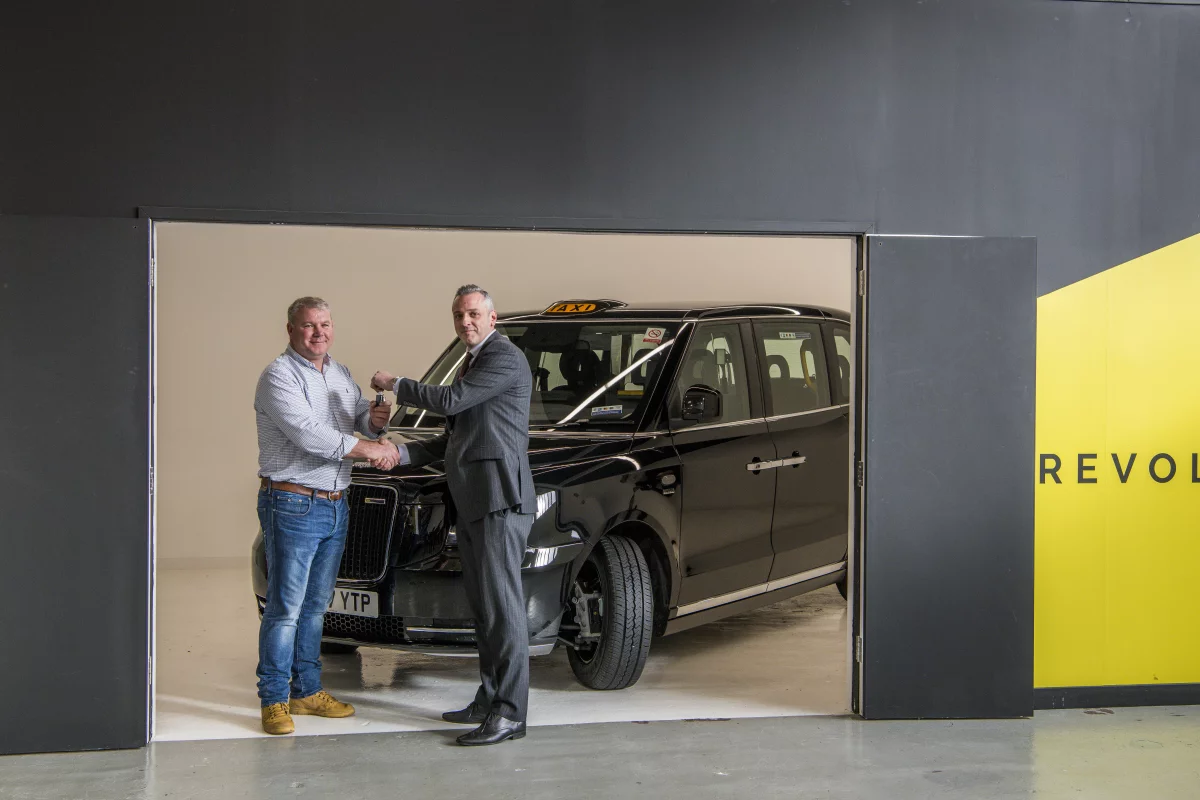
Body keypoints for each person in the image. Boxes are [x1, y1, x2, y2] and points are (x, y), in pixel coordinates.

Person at [371, 284, 535, 746]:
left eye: (474, 314)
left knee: (502, 610)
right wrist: (399, 454)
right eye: (459, 315)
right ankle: (489, 698)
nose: (466, 322)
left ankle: (510, 714)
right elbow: (456, 438)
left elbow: (448, 402)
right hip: (476, 501)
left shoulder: (502, 357)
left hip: (500, 500)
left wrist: (396, 383)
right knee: (484, 610)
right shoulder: (474, 362)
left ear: (492, 318)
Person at [254, 296, 400, 735]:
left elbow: (356, 419)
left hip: (336, 503)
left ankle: (307, 690)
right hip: (292, 503)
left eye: (325, 324)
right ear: (291, 330)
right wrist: (372, 449)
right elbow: (310, 435)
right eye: (309, 325)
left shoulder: (338, 372)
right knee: (285, 608)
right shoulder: (279, 376)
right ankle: (274, 699)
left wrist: (374, 421)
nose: (319, 332)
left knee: (316, 607)